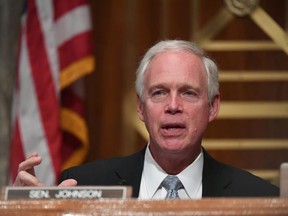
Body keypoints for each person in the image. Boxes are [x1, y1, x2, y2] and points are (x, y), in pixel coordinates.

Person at [13, 40, 279, 199]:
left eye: (188, 93)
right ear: (141, 107)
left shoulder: (260, 198)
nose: (173, 106)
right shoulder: (82, 185)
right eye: (159, 92)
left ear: (212, 106)